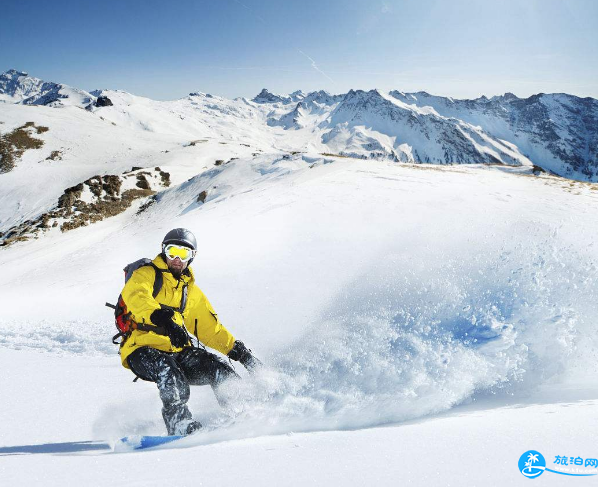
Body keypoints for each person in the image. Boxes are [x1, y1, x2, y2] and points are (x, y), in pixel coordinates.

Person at [118, 228, 261, 436]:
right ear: (163, 252)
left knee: (218, 368)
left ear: (192, 257)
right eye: (172, 251)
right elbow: (136, 296)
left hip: (176, 350)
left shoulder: (189, 290)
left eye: (183, 254)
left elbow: (209, 328)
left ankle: (243, 412)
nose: (176, 259)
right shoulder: (146, 274)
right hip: (141, 348)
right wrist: (161, 318)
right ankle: (179, 424)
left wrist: (240, 354)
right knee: (169, 371)